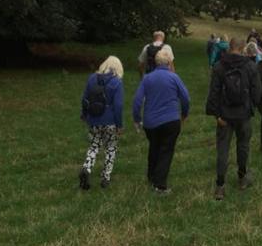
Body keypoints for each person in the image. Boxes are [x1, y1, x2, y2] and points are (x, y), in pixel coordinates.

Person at [206, 37, 262, 200]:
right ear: (243, 48)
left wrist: (216, 115)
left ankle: (220, 186)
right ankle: (242, 178)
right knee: (243, 146)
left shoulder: (219, 66)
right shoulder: (250, 66)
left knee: (222, 149)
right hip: (243, 114)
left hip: (224, 115)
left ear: (229, 47)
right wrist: (251, 107)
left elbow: (214, 92)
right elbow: (257, 91)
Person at [133, 47, 190, 194]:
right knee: (166, 151)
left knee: (154, 147)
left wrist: (137, 119)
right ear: (169, 62)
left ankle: (151, 176)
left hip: (150, 123)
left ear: (156, 62)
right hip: (171, 121)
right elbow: (185, 97)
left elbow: (137, 101)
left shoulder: (147, 78)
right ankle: (159, 185)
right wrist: (184, 114)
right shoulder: (174, 77)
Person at [79, 55, 124, 190]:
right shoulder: (117, 82)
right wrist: (119, 125)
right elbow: (118, 106)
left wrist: (84, 114)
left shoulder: (92, 78)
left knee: (94, 146)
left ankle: (87, 168)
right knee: (110, 148)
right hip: (110, 122)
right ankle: (105, 178)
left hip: (94, 120)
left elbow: (84, 99)